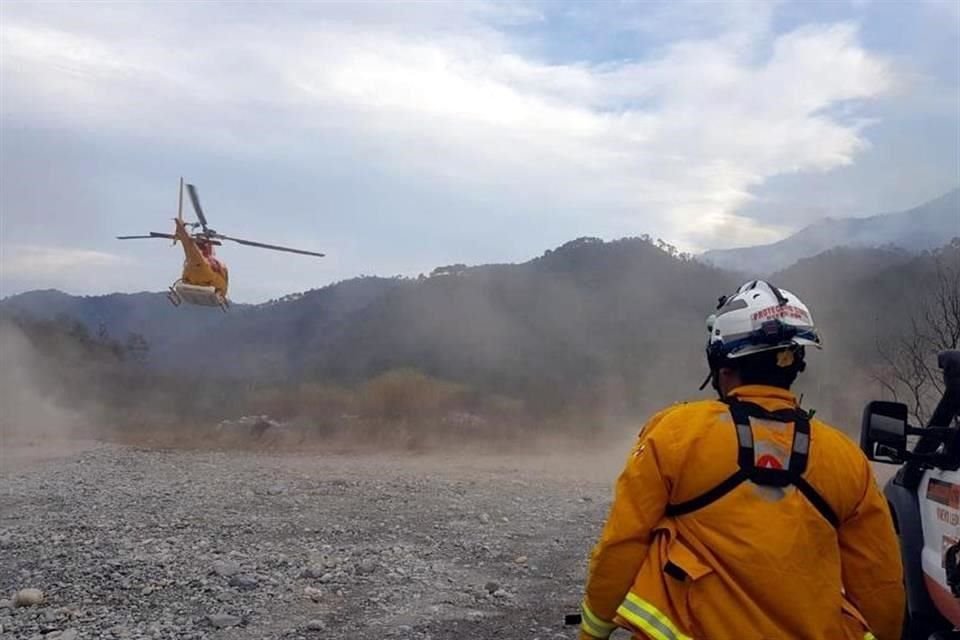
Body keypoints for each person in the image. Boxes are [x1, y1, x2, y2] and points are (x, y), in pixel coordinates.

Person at [578, 280, 904, 640]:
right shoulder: (847, 460)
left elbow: (623, 543)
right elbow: (880, 582)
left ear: (723, 367)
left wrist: (593, 631)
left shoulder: (675, 434)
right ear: (794, 366)